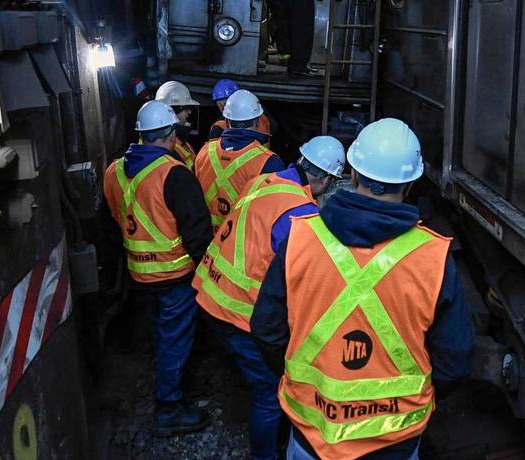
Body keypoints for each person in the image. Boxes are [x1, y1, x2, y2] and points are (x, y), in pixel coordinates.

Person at [251, 118, 472, 460]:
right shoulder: (434, 258)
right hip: (394, 441)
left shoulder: (300, 239)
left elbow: (266, 329)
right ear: (411, 183)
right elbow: (454, 361)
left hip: (312, 433)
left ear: (351, 174)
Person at [192, 136, 347, 460]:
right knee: (268, 392)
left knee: (246, 372)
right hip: (239, 310)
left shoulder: (263, 181)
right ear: (324, 179)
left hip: (209, 293)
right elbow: (301, 277)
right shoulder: (301, 213)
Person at [102, 101, 213, 436]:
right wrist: (208, 274)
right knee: (175, 339)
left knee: (161, 333)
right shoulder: (174, 174)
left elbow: (112, 223)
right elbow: (197, 234)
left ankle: (164, 381)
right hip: (174, 276)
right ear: (170, 134)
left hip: (138, 274)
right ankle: (169, 408)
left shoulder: (114, 171)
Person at [194, 90, 285, 234]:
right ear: (257, 121)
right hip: (241, 243)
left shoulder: (204, 152)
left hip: (206, 240)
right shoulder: (268, 161)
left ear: (227, 121)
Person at [155, 80, 199, 166]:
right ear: (173, 111)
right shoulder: (166, 146)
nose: (189, 112)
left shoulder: (180, 140)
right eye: (186, 108)